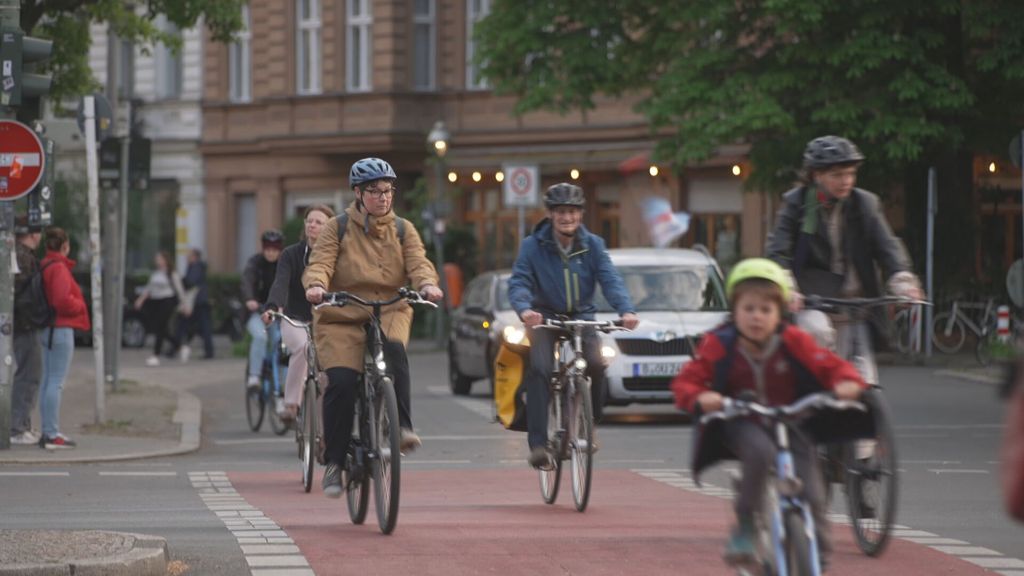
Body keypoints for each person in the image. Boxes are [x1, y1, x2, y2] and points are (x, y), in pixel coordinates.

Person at [671, 258, 867, 567]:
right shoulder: (720, 344)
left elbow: (829, 365)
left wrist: (848, 383)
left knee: (813, 488)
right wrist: (702, 396)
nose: (756, 317)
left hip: (791, 421)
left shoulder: (794, 340)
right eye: (748, 309)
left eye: (765, 310)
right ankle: (746, 526)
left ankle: (817, 549)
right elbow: (687, 381)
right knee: (760, 453)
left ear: (780, 314)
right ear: (734, 311)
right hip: (743, 420)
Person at [304, 157, 443, 498]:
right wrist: (317, 286)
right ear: (357, 193)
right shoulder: (337, 228)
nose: (383, 197)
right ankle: (335, 462)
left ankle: (404, 427)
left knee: (394, 350)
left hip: (390, 307)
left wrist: (426, 284)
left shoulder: (402, 229)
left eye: (387, 190)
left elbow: (418, 261)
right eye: (374, 191)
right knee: (341, 381)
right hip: (342, 313)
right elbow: (320, 263)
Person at [765, 135, 924, 376]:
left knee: (865, 382)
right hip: (813, 303)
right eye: (837, 175)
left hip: (856, 306)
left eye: (850, 174)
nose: (846, 181)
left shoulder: (865, 204)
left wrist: (904, 284)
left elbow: (888, 248)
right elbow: (778, 251)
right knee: (816, 342)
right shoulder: (796, 204)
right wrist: (787, 289)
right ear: (817, 175)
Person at [507, 182, 640, 469]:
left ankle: (589, 424)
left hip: (583, 316)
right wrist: (525, 309)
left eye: (572, 212)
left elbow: (610, 279)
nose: (567, 218)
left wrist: (625, 309)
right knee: (541, 370)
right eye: (561, 212)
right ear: (551, 215)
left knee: (596, 364)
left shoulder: (593, 245)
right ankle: (539, 445)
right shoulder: (533, 246)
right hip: (544, 318)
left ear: (580, 215)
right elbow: (519, 281)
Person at [262, 204, 336, 421]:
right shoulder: (291, 255)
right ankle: (291, 404)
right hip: (295, 319)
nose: (312, 225)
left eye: (318, 222)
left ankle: (324, 431)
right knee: (304, 348)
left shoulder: (336, 254)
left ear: (329, 228)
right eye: (309, 220)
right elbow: (280, 283)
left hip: (327, 321)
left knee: (329, 374)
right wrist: (272, 307)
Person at [38, 227, 91, 450]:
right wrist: (80, 304)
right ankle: (51, 433)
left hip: (48, 328)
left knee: (48, 380)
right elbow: (61, 300)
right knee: (56, 382)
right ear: (65, 246)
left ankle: (47, 430)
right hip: (60, 328)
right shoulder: (58, 268)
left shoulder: (45, 265)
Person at [10, 217, 43, 445]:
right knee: (29, 374)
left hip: (22, 322)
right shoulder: (22, 256)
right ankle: (17, 427)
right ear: (33, 234)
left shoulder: (16, 253)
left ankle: (22, 424)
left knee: (29, 373)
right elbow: (19, 292)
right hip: (24, 323)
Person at [242, 230, 283, 388]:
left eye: (275, 250)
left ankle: (280, 387)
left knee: (280, 344)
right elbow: (247, 280)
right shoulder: (255, 263)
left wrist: (284, 305)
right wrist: (249, 299)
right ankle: (254, 375)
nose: (271, 253)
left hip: (276, 314)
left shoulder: (283, 265)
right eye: (268, 250)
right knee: (260, 337)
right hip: (256, 312)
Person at [134, 251, 185, 367]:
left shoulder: (171, 273)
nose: (157, 261)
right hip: (156, 301)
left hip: (167, 301)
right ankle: (179, 346)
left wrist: (184, 304)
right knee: (160, 328)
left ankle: (156, 355)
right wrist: (140, 300)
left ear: (165, 260)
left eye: (159, 258)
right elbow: (149, 288)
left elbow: (179, 289)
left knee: (160, 327)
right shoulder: (156, 274)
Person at [176, 248, 215, 361]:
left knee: (197, 326)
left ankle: (209, 351)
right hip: (198, 300)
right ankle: (208, 351)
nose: (187, 257)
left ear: (194, 257)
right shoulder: (197, 266)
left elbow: (190, 282)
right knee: (191, 326)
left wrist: (181, 280)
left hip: (197, 301)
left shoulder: (196, 266)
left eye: (189, 255)